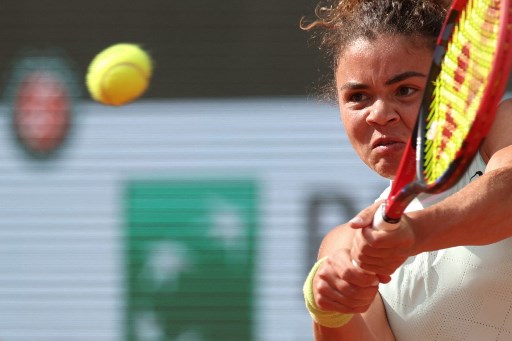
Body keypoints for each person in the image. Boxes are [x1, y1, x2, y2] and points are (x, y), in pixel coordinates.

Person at [300, 0, 512, 340]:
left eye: (405, 90)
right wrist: (331, 309)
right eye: (358, 97)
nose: (379, 114)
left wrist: (413, 234)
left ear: (453, 88)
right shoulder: (345, 243)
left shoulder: (502, 129)